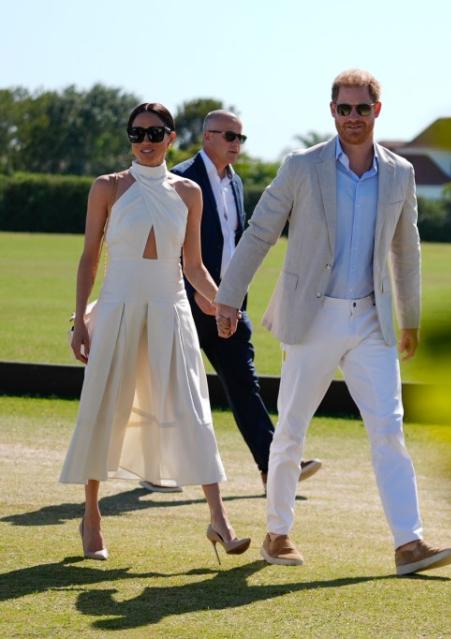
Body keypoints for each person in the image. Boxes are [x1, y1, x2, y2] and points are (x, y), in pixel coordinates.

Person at [215, 69, 451, 574]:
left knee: (389, 430)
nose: (353, 117)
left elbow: (406, 250)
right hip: (313, 316)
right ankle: (277, 534)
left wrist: (410, 319)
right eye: (344, 109)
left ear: (377, 110)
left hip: (372, 320)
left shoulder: (400, 173)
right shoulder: (301, 167)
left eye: (362, 108)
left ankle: (408, 544)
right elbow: (261, 231)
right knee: (291, 431)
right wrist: (228, 298)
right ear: (332, 112)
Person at [61, 102, 250, 563]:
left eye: (155, 133)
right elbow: (89, 257)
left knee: (193, 407)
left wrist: (223, 305)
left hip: (172, 310)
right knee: (104, 406)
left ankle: (219, 520)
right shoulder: (107, 187)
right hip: (118, 307)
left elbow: (194, 266)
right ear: (130, 137)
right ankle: (91, 516)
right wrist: (79, 320)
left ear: (171, 137)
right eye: (137, 133)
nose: (145, 141)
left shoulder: (188, 193)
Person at [131, 110, 319, 494]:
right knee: (170, 385)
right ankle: (153, 466)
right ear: (207, 138)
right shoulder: (180, 178)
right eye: (229, 136)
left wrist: (227, 300)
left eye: (241, 138)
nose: (236, 143)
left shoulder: (235, 183)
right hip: (182, 301)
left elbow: (237, 244)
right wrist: (200, 292)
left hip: (227, 306)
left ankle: (273, 468)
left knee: (244, 382)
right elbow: (167, 244)